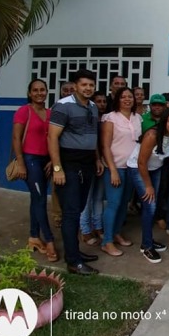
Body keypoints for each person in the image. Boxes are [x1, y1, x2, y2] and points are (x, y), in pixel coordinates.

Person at [48, 69, 104, 275]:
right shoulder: (63, 106)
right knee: (71, 213)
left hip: (87, 163)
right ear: (75, 86)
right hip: (69, 164)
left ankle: (75, 252)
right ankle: (73, 261)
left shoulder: (92, 107)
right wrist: (57, 168)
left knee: (78, 208)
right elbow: (52, 137)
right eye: (84, 85)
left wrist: (97, 158)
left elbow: (93, 135)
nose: (88, 88)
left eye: (91, 85)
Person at [127, 108, 169, 263]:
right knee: (149, 205)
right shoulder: (152, 135)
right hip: (138, 169)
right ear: (164, 121)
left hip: (155, 169)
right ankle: (146, 246)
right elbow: (141, 162)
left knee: (152, 206)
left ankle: (148, 239)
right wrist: (148, 185)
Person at [12, 79, 57, 262]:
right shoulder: (24, 111)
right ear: (30, 93)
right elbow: (16, 138)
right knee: (39, 200)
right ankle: (50, 240)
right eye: (35, 90)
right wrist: (21, 162)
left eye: (42, 90)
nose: (39, 93)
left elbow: (52, 139)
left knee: (36, 199)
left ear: (46, 92)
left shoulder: (50, 113)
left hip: (45, 161)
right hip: (30, 160)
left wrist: (52, 160)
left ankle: (33, 237)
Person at [100, 86, 142, 257]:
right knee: (113, 204)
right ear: (117, 99)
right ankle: (106, 241)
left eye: (130, 97)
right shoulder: (110, 118)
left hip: (132, 168)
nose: (127, 99)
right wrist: (112, 170)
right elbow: (105, 145)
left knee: (124, 203)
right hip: (115, 167)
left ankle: (116, 233)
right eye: (123, 97)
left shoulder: (137, 117)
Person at [79, 90, 107, 246]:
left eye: (104, 101)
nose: (101, 104)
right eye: (98, 101)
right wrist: (96, 159)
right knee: (87, 198)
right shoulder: (89, 120)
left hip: (103, 163)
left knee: (98, 197)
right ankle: (85, 229)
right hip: (89, 162)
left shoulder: (107, 119)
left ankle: (98, 226)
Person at [50, 81, 76, 228]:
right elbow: (51, 136)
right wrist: (53, 161)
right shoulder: (58, 107)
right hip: (58, 156)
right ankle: (57, 216)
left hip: (73, 157)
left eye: (71, 90)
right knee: (57, 187)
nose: (68, 92)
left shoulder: (83, 108)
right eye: (65, 90)